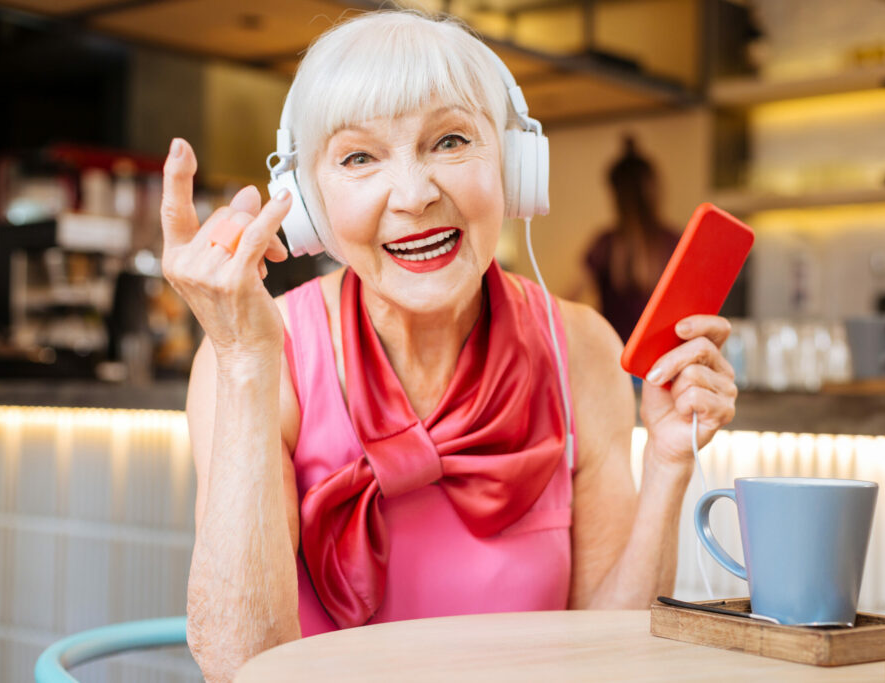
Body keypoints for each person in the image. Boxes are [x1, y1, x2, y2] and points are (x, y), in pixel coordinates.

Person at [159, 10, 736, 682]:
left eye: (451, 142)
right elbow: (236, 666)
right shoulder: (260, 356)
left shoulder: (580, 347)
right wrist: (243, 361)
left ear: (515, 166)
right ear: (310, 202)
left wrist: (669, 462)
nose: (412, 194)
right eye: (359, 157)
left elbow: (610, 653)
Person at [585, 136, 681, 343]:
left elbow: (574, 300)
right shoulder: (675, 243)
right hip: (661, 362)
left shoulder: (604, 245)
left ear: (616, 196)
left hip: (615, 358)